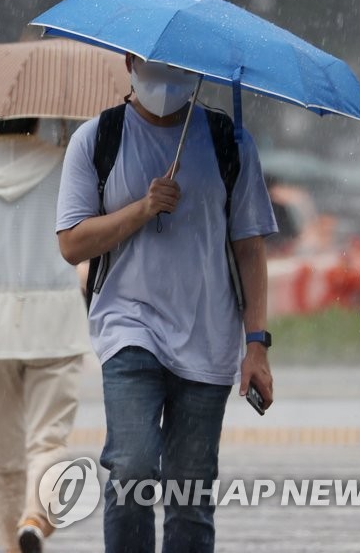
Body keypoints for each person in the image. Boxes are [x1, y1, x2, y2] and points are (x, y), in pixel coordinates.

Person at [55, 55, 277, 552]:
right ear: (131, 61)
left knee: (190, 499)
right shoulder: (96, 139)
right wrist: (142, 208)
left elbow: (249, 247)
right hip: (127, 329)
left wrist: (257, 344)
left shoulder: (229, 142)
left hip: (209, 339)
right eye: (155, 64)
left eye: (179, 65)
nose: (166, 76)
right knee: (131, 468)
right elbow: (72, 242)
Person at [0, 116, 90, 553]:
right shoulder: (65, 162)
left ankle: (10, 542)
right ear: (39, 117)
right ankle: (35, 518)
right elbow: (80, 230)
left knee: (1, 446)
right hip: (56, 320)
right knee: (50, 437)